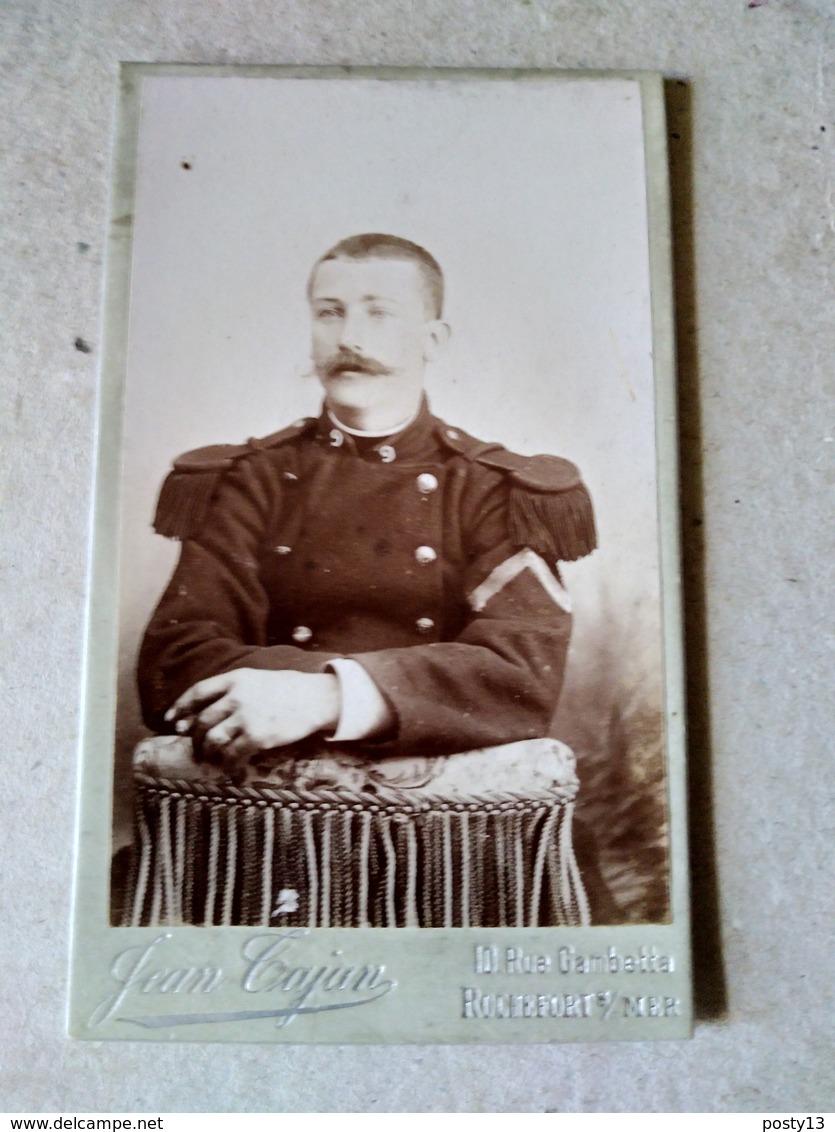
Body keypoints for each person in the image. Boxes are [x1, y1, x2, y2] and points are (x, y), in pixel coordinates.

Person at [137, 233, 597, 770]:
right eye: (330, 313)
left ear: (433, 340)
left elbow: (521, 675)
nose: (350, 338)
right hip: (266, 814)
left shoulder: (492, 490)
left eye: (380, 315)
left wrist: (327, 699)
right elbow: (173, 663)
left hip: (447, 823)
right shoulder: (249, 480)